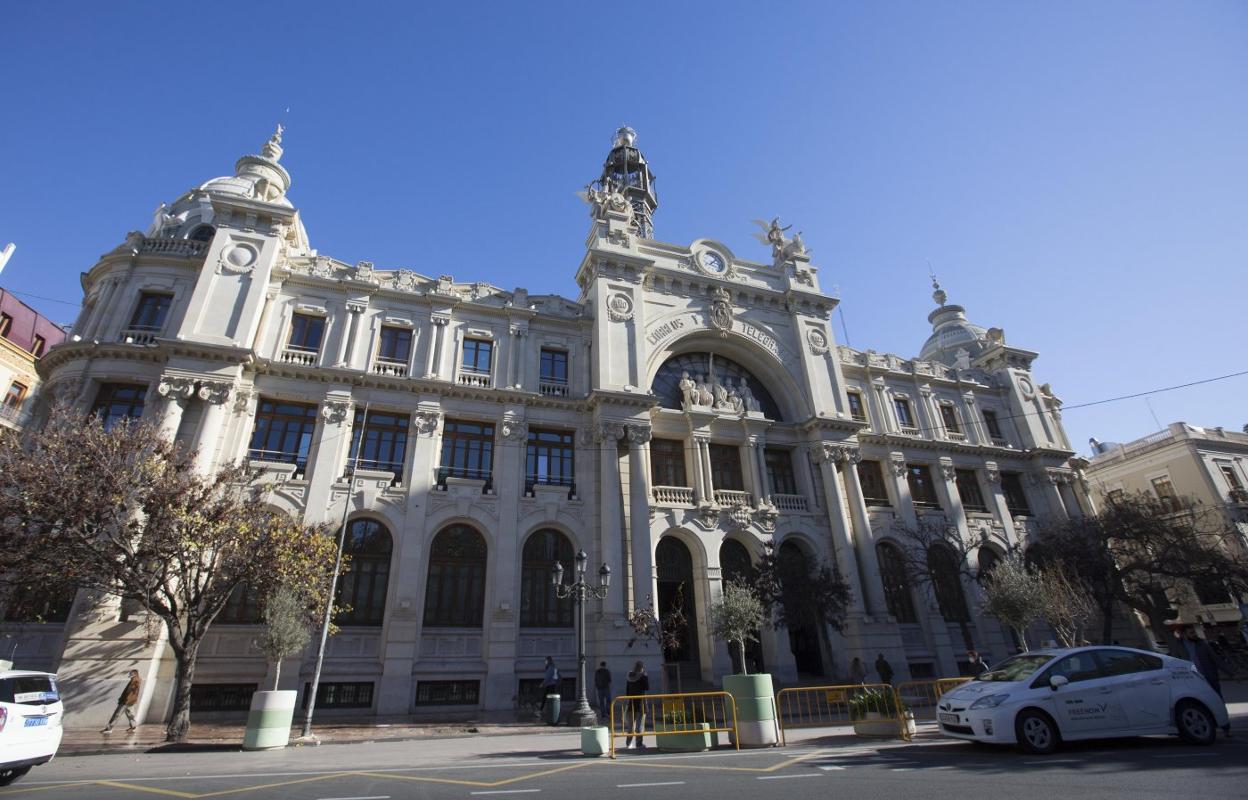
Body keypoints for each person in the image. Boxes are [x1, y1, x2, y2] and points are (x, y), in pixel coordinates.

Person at [1173, 626, 1223, 698]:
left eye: (1194, 632)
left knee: (1218, 697)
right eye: (1191, 633)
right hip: (1194, 679)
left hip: (1209, 676)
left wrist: (1231, 673)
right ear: (1184, 635)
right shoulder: (1179, 646)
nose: (1194, 634)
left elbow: (1215, 658)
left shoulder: (1201, 643)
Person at [101, 669, 141, 734]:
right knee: (130, 714)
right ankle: (133, 727)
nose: (130, 674)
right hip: (130, 701)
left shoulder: (135, 680)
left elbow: (130, 692)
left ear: (134, 674)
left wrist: (124, 700)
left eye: (131, 673)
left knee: (117, 714)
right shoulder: (136, 680)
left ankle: (109, 728)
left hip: (126, 701)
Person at [624, 661, 649, 750]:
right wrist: (644, 676)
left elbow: (627, 692)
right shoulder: (643, 676)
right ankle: (639, 744)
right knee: (639, 726)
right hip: (640, 704)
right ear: (641, 667)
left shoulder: (629, 676)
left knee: (630, 726)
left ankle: (628, 743)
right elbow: (646, 687)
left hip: (631, 703)